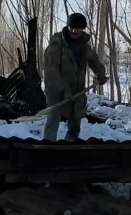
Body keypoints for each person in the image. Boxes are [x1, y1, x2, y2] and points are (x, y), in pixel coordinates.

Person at [41, 13, 107, 142]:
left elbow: (93, 60)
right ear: (68, 27)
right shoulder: (56, 46)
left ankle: (68, 150)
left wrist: (101, 74)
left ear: (83, 29)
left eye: (78, 30)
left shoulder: (83, 45)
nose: (75, 32)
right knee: (52, 122)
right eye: (72, 29)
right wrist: (64, 90)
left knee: (75, 127)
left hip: (77, 92)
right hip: (56, 91)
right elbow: (50, 71)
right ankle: (47, 150)